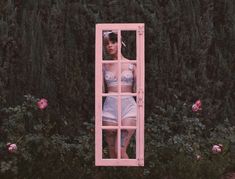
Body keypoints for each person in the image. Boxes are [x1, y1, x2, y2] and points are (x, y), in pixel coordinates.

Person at [102, 31, 137, 159]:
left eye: (113, 42)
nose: (110, 46)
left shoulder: (132, 64)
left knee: (120, 151)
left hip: (128, 106)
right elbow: (101, 89)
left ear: (120, 43)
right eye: (107, 43)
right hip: (110, 106)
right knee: (112, 153)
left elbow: (138, 89)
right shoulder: (104, 65)